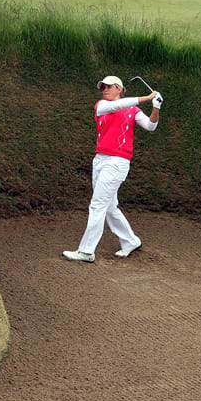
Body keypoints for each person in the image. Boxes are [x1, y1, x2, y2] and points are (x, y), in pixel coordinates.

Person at [63, 75, 161, 263]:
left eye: (108, 87)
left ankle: (86, 251)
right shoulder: (101, 106)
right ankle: (131, 241)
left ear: (119, 88)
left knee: (98, 204)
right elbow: (117, 106)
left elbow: (150, 126)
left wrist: (156, 106)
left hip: (118, 162)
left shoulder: (133, 110)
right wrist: (147, 98)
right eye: (103, 87)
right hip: (100, 159)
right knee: (108, 206)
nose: (104, 90)